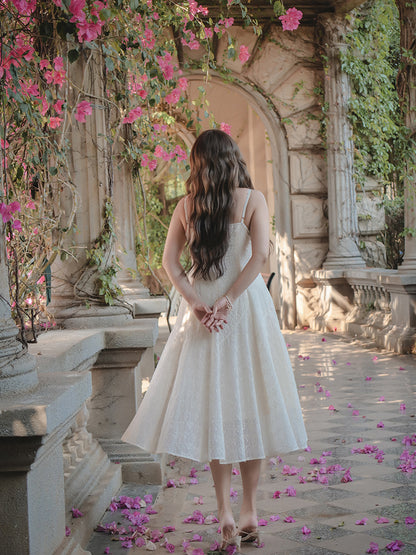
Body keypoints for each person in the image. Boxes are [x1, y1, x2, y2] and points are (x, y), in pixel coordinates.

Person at [122, 129, 308, 550]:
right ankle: (248, 510)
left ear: (198, 164)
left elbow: (169, 263)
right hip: (244, 310)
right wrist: (226, 301)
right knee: (253, 405)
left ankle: (223, 509)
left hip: (205, 313)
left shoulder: (187, 206)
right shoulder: (252, 200)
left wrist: (196, 304)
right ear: (233, 160)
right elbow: (259, 257)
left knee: (218, 408)